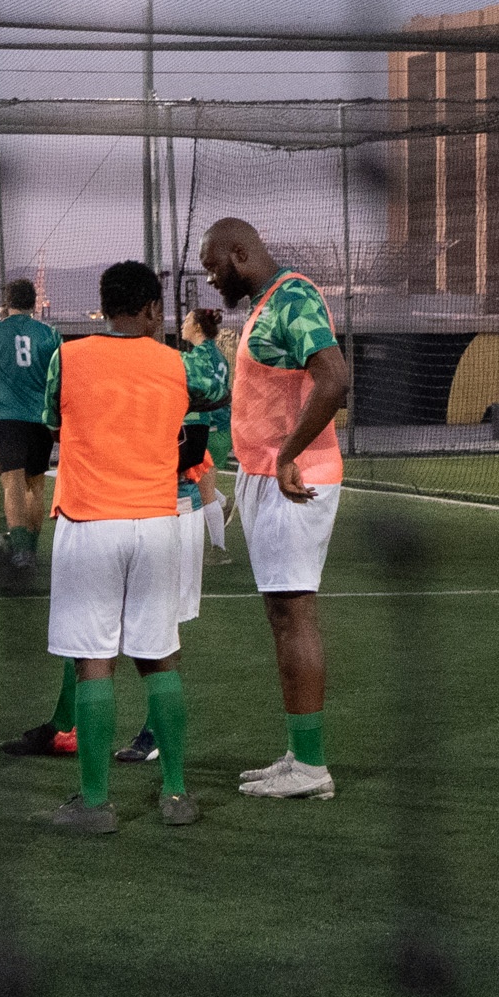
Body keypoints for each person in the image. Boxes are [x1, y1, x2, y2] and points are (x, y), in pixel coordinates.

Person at [39, 260, 227, 833]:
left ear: (104, 306)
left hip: (90, 520)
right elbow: (217, 391)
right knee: (160, 655)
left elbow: (51, 423)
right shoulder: (176, 363)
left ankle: (96, 804)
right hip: (157, 521)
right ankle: (176, 795)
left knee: (94, 661)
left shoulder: (67, 357)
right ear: (151, 309)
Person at [200, 217, 351, 802]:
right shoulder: (268, 304)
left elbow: (334, 379)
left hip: (294, 479)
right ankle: (299, 753)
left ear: (239, 253)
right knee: (283, 615)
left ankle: (311, 767)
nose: (211, 279)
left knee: (294, 613)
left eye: (213, 266)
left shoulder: (293, 296)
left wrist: (288, 454)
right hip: (268, 475)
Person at [116, 315, 233, 765]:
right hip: (137, 509)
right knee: (128, 627)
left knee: (161, 628)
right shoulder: (142, 368)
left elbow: (192, 443)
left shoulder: (179, 368)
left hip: (174, 509)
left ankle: (158, 731)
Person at [0, 279, 64, 569]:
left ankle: (20, 549)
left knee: (12, 485)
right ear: (34, 303)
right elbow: (62, 379)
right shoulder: (50, 334)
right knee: (36, 486)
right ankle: (31, 549)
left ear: (7, 302)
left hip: (8, 420)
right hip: (41, 421)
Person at [182, 308, 235, 562]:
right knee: (199, 481)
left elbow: (196, 392)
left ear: (197, 327)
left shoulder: (199, 357)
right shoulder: (217, 355)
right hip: (220, 428)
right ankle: (223, 502)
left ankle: (219, 550)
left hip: (209, 429)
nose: (182, 324)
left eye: (187, 320)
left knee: (204, 493)